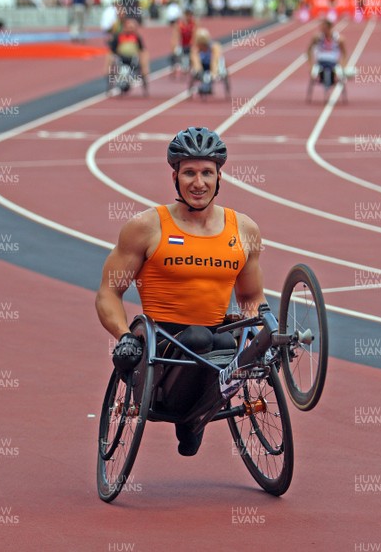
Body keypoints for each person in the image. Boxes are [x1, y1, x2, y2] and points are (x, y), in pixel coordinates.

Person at [95, 127, 267, 456]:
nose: (198, 183)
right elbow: (108, 292)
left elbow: (250, 298)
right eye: (189, 173)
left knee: (224, 342)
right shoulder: (146, 227)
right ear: (175, 177)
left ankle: (196, 415)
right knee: (199, 339)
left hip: (218, 339)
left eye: (206, 173)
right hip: (162, 341)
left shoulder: (244, 229)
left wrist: (262, 331)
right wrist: (123, 336)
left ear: (219, 178)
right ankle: (189, 419)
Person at [107, 17, 149, 95]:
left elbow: (142, 50)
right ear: (125, 27)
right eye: (129, 27)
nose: (131, 29)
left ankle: (145, 89)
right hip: (121, 59)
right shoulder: (119, 37)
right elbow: (111, 51)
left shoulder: (137, 37)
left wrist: (145, 66)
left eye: (132, 28)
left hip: (133, 59)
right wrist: (108, 64)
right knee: (112, 68)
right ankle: (110, 88)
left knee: (141, 70)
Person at [307, 18, 347, 87]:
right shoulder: (317, 38)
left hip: (333, 63)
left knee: (342, 76)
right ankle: (321, 79)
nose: (322, 30)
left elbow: (344, 53)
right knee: (313, 74)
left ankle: (335, 81)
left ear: (330, 27)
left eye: (324, 28)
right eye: (321, 28)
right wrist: (310, 66)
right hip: (320, 63)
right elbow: (309, 50)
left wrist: (343, 66)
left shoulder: (339, 39)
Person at [189, 28, 224, 94]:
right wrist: (199, 71)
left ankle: (207, 84)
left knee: (214, 62)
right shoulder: (196, 48)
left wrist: (213, 73)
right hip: (202, 67)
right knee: (195, 58)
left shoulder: (214, 47)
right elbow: (194, 60)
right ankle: (203, 79)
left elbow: (215, 60)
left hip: (213, 66)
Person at [170, 8, 197, 76]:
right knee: (176, 52)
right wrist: (174, 47)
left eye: (190, 15)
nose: (188, 17)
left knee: (194, 52)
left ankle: (195, 68)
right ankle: (174, 67)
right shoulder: (179, 24)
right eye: (187, 15)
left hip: (190, 45)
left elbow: (196, 36)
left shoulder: (194, 23)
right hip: (183, 45)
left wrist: (194, 46)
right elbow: (175, 37)